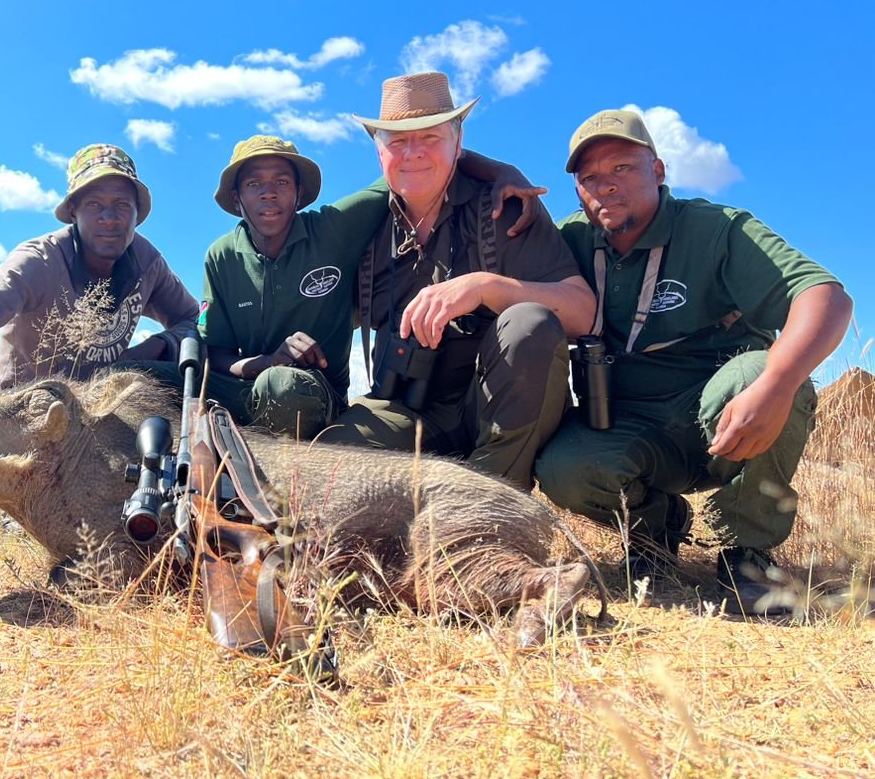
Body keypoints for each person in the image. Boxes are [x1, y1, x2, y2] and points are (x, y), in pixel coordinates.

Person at [533, 109, 852, 613]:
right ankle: (656, 529)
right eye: (589, 177)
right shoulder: (567, 239)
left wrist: (778, 384)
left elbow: (825, 297)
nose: (606, 187)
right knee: (563, 468)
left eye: (622, 169)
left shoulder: (718, 229)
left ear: (658, 171)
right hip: (630, 425)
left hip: (725, 418)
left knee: (763, 372)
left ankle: (746, 554)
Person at [320, 72, 596, 491]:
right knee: (332, 467)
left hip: (494, 412)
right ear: (379, 154)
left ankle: (488, 505)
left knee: (529, 324)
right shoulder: (363, 227)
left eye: (430, 137)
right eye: (397, 141)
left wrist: (486, 287)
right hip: (407, 406)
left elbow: (583, 313)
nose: (413, 153)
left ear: (458, 142)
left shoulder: (505, 210)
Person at [0, 144, 198, 392]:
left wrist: (156, 347)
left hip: (100, 414)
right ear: (72, 212)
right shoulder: (40, 260)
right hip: (20, 410)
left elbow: (193, 319)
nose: (109, 217)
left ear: (137, 214)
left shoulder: (147, 264)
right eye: (94, 205)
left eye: (122, 205)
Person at [196, 135, 388, 437]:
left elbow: (407, 166)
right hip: (244, 390)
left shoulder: (332, 230)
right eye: (253, 184)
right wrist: (268, 361)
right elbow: (217, 354)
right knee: (150, 374)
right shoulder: (221, 256)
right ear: (237, 199)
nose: (268, 193)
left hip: (312, 393)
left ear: (299, 194)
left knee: (281, 387)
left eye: (282, 182)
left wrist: (488, 168)